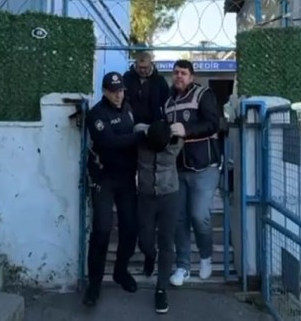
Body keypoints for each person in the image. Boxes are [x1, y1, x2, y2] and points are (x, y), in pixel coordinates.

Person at [83, 71, 146, 307]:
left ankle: (121, 271)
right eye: (113, 91)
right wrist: (139, 136)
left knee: (130, 229)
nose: (118, 95)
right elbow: (109, 142)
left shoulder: (127, 108)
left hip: (127, 179)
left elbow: (131, 135)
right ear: (104, 91)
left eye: (120, 91)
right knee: (101, 231)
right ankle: (94, 285)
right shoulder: (96, 114)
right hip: (104, 179)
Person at [164, 60, 222, 287]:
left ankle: (206, 257)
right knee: (179, 219)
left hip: (204, 167)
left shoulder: (203, 94)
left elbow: (213, 124)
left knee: (199, 216)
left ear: (192, 76)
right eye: (176, 72)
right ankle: (183, 266)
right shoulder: (168, 102)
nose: (179, 76)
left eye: (183, 73)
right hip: (178, 169)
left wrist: (186, 130)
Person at [134, 120, 183, 314]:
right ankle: (149, 255)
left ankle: (161, 289)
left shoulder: (175, 143)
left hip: (169, 195)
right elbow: (137, 127)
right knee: (145, 239)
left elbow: (183, 131)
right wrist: (148, 131)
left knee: (166, 241)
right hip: (145, 196)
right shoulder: (141, 139)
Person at [123, 52, 170, 125]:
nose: (142, 70)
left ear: (151, 64)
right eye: (140, 67)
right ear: (135, 64)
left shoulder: (159, 80)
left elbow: (166, 101)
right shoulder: (127, 78)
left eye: (145, 68)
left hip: (154, 123)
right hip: (131, 122)